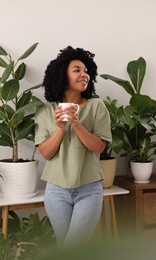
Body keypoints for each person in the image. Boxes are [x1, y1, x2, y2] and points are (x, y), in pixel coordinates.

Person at [34, 46, 112, 248]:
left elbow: (98, 147)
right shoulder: (45, 111)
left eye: (86, 71)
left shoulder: (97, 107)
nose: (84, 75)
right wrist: (60, 127)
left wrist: (77, 124)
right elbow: (46, 153)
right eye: (77, 70)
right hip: (56, 190)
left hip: (89, 188)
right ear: (62, 75)